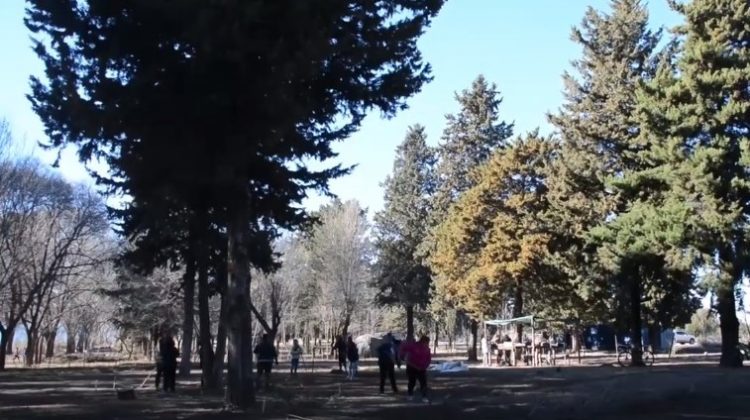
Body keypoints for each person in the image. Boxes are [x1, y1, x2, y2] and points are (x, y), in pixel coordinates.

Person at [401, 335, 432, 402]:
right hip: (412, 366)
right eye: (426, 342)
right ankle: (410, 395)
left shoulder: (427, 349)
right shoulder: (413, 346)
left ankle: (424, 396)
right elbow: (404, 349)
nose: (427, 344)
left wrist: (425, 366)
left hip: (422, 368)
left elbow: (428, 359)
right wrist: (403, 357)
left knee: (423, 383)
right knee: (412, 382)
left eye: (428, 343)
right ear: (422, 341)